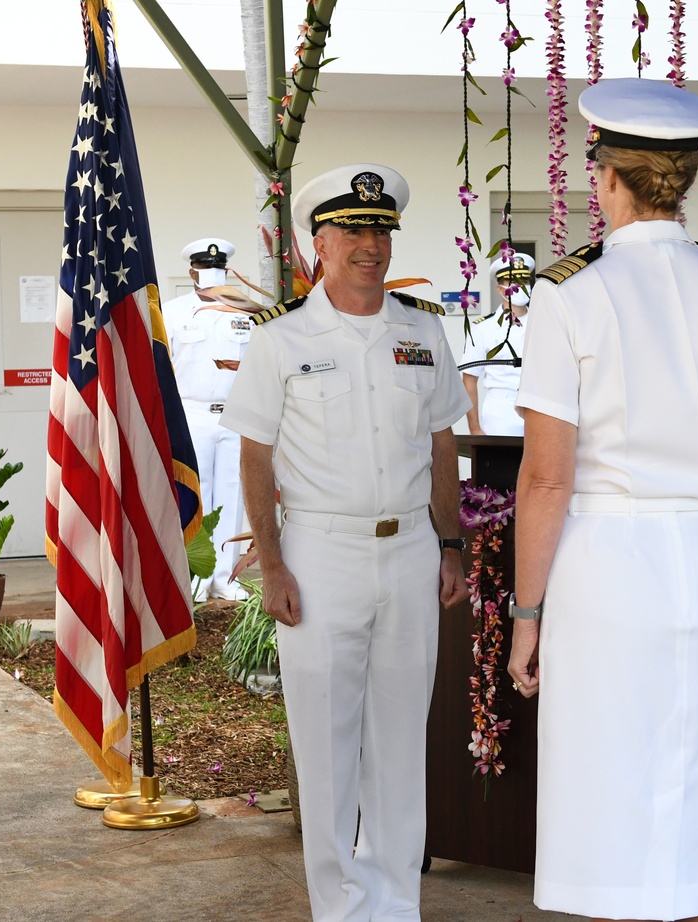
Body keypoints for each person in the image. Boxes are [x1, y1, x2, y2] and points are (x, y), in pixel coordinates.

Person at [507, 78, 698, 922]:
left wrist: (527, 613)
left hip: (609, 571)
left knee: (606, 806)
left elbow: (547, 478)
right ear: (689, 178)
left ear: (605, 179)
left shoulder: (569, 293)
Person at [219, 163, 471, 922]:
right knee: (325, 739)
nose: (371, 246)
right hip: (320, 554)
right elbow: (255, 456)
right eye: (354, 231)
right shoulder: (282, 339)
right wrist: (271, 563)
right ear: (319, 243)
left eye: (382, 231)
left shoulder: (421, 330)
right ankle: (338, 906)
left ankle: (395, 902)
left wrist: (451, 545)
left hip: (409, 553)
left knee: (400, 737)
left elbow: (442, 442)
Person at [162, 237, 250, 600]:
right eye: (204, 271)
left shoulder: (247, 310)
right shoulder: (172, 312)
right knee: (196, 494)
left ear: (227, 271)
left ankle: (226, 577)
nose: (210, 277)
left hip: (236, 413)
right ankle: (197, 575)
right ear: (191, 272)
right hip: (191, 413)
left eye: (217, 271)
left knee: (233, 495)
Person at [461, 252, 535, 435]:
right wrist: (475, 428)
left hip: (538, 407)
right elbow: (469, 378)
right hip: (500, 412)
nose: (522, 287)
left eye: (525, 281)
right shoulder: (483, 328)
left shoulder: (545, 322)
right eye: (515, 283)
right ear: (501, 290)